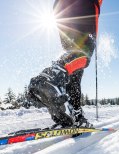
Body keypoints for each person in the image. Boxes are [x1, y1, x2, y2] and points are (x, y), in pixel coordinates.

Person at [28, 0, 103, 128]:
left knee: (75, 69)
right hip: (83, 5)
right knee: (84, 51)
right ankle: (51, 77)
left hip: (61, 8)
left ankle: (76, 115)